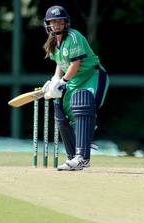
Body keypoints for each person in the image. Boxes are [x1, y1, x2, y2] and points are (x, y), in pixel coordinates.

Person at [42, 5, 109, 171]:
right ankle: (73, 157)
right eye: (53, 21)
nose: (56, 24)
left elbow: (74, 64)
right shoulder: (52, 42)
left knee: (83, 107)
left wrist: (62, 81)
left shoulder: (73, 37)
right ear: (48, 24)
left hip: (91, 76)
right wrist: (54, 80)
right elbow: (60, 63)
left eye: (60, 21)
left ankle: (82, 158)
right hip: (74, 80)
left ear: (65, 22)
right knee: (64, 113)